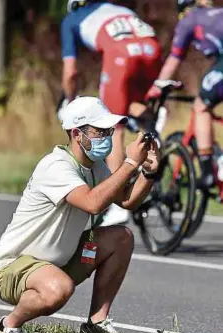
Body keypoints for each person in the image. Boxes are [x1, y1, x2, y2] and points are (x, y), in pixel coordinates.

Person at [0, 96, 160, 333]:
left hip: (58, 262)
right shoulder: (56, 166)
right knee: (59, 288)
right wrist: (130, 162)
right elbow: (92, 202)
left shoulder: (95, 166)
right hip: (14, 268)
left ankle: (97, 324)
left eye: (108, 131)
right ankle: (8, 325)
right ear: (77, 134)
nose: (107, 137)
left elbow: (127, 201)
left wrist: (148, 172)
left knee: (121, 238)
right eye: (100, 131)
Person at [61, 0, 162, 224]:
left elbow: (70, 73)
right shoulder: (117, 10)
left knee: (113, 127)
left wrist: (68, 101)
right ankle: (151, 121)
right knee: (131, 105)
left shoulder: (71, 20)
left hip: (122, 56)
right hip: (153, 49)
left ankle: (118, 201)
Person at [146, 0, 223, 188]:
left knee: (201, 107)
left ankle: (208, 170)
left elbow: (174, 58)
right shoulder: (217, 12)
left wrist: (156, 87)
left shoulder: (189, 20)